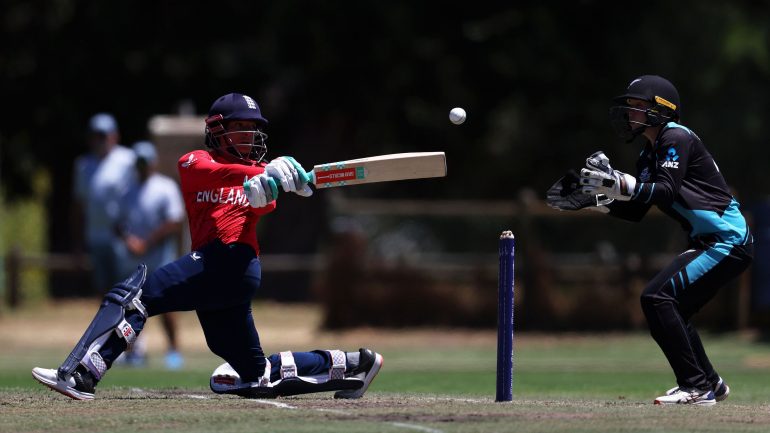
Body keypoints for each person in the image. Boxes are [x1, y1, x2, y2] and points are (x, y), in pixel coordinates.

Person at [32, 92, 383, 400]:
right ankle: (353, 365)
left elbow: (263, 198)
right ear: (217, 130)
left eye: (254, 128)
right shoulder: (195, 162)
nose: (250, 136)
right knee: (254, 373)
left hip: (231, 262)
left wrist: (272, 182)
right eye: (241, 127)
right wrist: (267, 174)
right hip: (221, 271)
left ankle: (81, 375)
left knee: (137, 296)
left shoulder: (265, 182)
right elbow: (226, 176)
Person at [547, 75, 753, 406]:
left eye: (638, 107)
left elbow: (666, 190)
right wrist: (596, 201)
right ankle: (710, 384)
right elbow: (637, 210)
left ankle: (696, 387)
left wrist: (619, 183)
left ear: (661, 110)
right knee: (673, 307)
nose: (630, 114)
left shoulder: (676, 136)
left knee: (656, 298)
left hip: (726, 240)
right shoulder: (649, 154)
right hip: (712, 242)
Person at [114, 141, 186, 369]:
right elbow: (118, 224)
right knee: (130, 307)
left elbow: (174, 222)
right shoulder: (126, 191)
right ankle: (134, 351)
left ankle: (174, 350)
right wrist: (129, 241)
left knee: (166, 307)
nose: (143, 166)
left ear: (153, 163)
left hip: (161, 259)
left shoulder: (165, 187)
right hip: (134, 262)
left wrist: (146, 242)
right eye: (139, 162)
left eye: (146, 162)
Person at [71, 113, 136, 293]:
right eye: (95, 135)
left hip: (122, 238)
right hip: (95, 236)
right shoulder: (83, 165)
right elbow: (79, 205)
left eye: (103, 135)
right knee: (103, 290)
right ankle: (108, 322)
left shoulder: (128, 160)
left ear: (114, 136)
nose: (99, 140)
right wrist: (78, 244)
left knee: (125, 289)